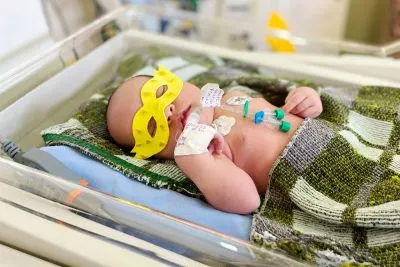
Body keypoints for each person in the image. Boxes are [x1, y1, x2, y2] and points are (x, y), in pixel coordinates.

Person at [106, 66, 322, 214]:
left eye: (161, 92)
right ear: (158, 155)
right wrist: (198, 161)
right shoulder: (210, 154)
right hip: (311, 174)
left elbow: (292, 105)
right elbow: (248, 201)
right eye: (152, 127)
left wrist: (307, 99)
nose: (167, 112)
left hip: (323, 134)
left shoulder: (233, 95)